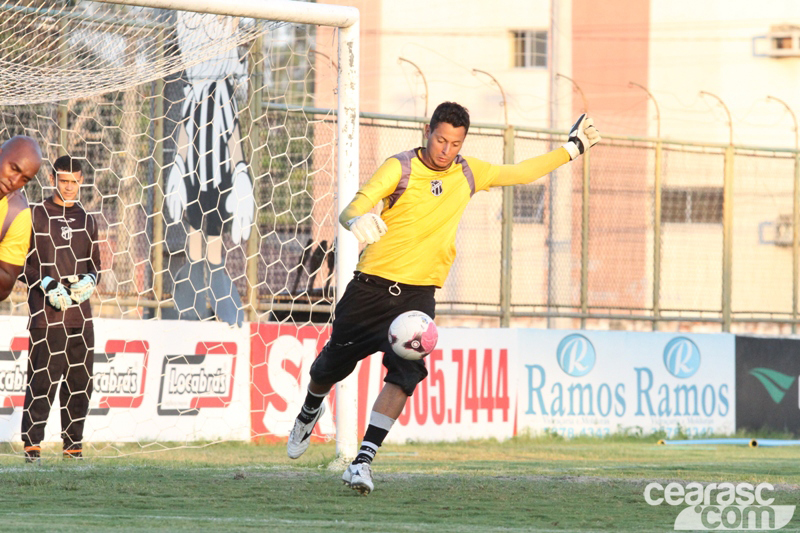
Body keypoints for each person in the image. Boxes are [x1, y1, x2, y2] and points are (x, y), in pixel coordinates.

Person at [287, 102, 601, 494]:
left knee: (406, 374)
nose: (446, 150)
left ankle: (363, 462)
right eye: (440, 140)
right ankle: (309, 410)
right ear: (427, 131)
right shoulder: (399, 167)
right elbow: (353, 206)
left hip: (418, 299)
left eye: (455, 143)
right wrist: (355, 220)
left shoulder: (469, 172)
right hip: (370, 287)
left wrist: (573, 148)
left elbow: (520, 173)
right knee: (329, 368)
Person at [21, 156, 101, 462]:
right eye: (63, 180)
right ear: (53, 178)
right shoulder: (35, 215)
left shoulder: (88, 219)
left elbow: (96, 265)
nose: (69, 187)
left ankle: (73, 448)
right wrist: (44, 282)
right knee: (41, 382)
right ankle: (32, 448)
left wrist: (91, 280)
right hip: (46, 317)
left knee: (80, 384)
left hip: (81, 317)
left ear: (82, 181)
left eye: (75, 182)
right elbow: (20, 263)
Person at [0, 136, 43, 302]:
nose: (14, 181)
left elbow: (5, 286)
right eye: (14, 168)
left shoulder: (17, 213)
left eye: (24, 179)